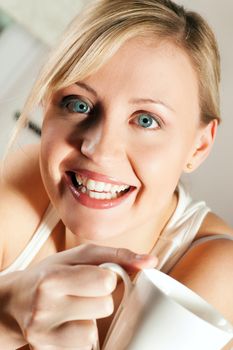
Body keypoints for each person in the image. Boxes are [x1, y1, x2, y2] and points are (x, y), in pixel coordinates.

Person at [0, 0, 233, 349]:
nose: (98, 149)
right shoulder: (19, 187)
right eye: (78, 104)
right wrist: (6, 318)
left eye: (146, 120)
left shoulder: (219, 272)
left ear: (198, 147)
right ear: (47, 106)